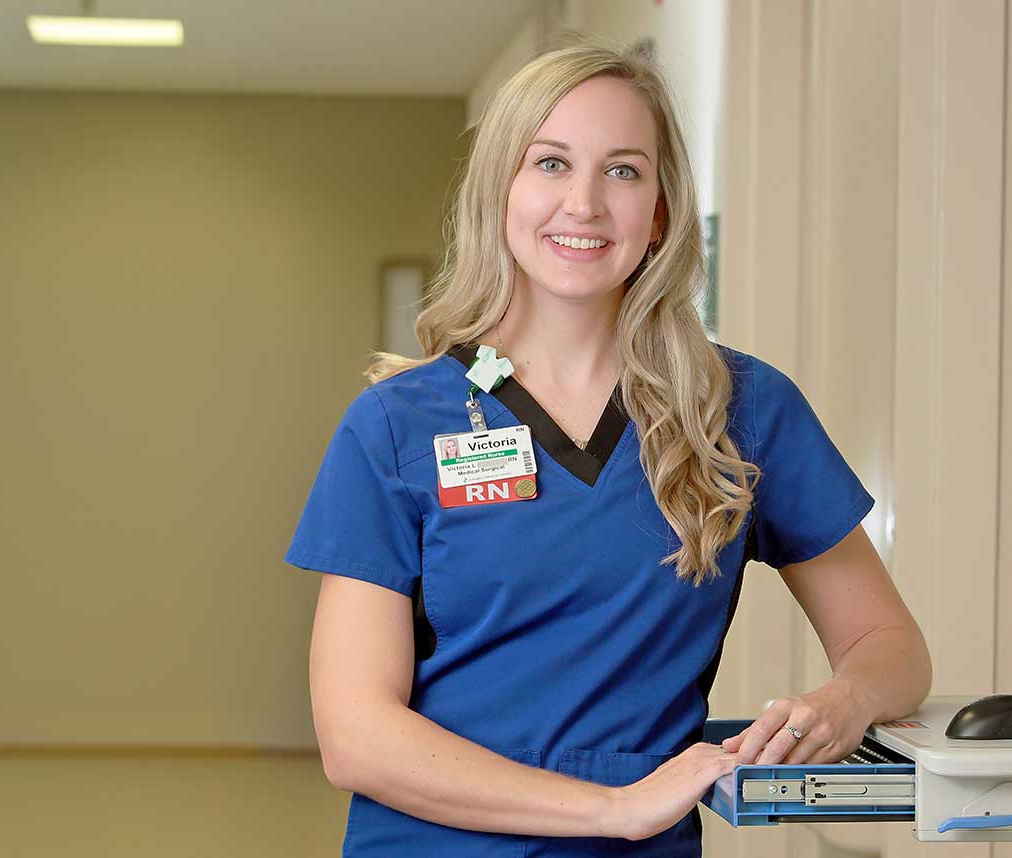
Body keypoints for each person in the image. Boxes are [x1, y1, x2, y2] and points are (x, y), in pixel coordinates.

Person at [286, 37, 931, 858]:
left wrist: (847, 701)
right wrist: (608, 809)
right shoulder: (395, 425)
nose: (584, 203)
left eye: (623, 171)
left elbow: (892, 649)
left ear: (659, 211)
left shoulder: (739, 408)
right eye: (551, 163)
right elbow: (355, 736)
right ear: (500, 191)